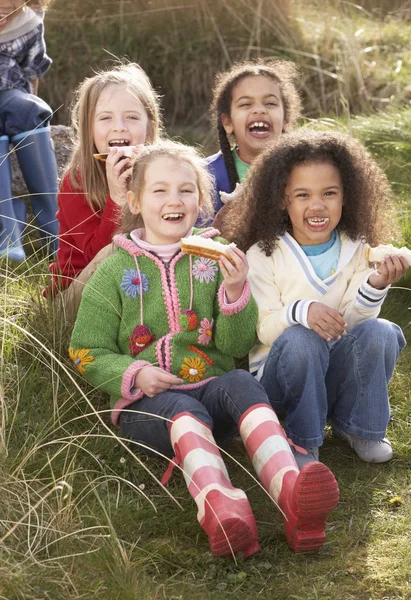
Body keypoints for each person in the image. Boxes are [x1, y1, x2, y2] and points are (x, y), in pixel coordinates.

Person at [69, 140, 339, 558]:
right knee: (184, 411)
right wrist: (135, 373)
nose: (174, 200)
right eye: (159, 191)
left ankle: (291, 489)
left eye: (186, 190)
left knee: (239, 381)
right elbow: (86, 350)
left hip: (212, 393)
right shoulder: (115, 270)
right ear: (135, 201)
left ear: (201, 200)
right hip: (148, 408)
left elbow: (236, 345)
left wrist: (234, 291)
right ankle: (221, 506)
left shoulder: (215, 260)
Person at [222, 129, 408, 467]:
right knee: (302, 339)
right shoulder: (264, 255)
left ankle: (359, 427)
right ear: (283, 199)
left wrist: (376, 283)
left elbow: (354, 324)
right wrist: (300, 311)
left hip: (334, 373)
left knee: (381, 330)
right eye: (303, 195)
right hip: (282, 382)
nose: (317, 205)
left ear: (346, 196)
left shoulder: (357, 249)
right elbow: (263, 331)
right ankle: (301, 439)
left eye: (329, 193)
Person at [44, 62, 162, 320]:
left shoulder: (163, 174)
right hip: (75, 297)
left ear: (150, 129)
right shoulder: (76, 181)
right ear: (89, 129)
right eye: (105, 117)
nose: (119, 126)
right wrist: (117, 198)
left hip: (139, 289)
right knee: (116, 250)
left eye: (131, 117)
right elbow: (94, 258)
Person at [206, 59, 301, 225]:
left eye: (270, 103)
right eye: (245, 104)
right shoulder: (206, 176)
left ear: (286, 120)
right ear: (228, 122)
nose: (259, 110)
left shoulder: (306, 170)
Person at [0, 0, 58, 262]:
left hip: (11, 95)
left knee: (30, 110)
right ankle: (7, 234)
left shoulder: (29, 23)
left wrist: (32, 108)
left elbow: (32, 71)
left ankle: (55, 232)